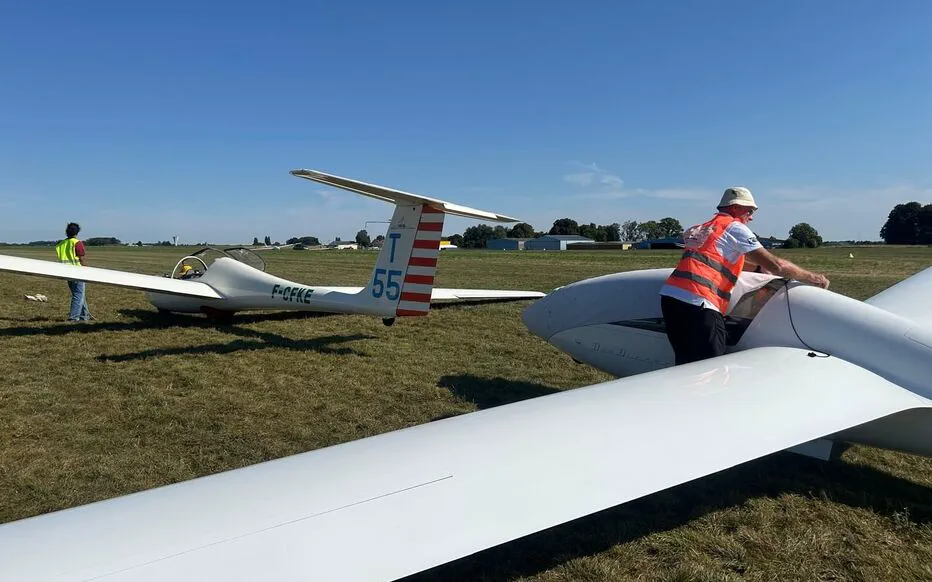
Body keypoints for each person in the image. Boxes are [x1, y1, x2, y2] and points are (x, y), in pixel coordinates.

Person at [659, 187, 829, 365]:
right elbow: (777, 266)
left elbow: (719, 258)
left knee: (686, 362)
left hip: (671, 299)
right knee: (708, 365)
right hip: (699, 302)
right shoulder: (734, 227)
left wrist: (758, 267)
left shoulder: (701, 229)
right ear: (736, 207)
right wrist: (813, 277)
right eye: (750, 211)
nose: (751, 217)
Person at [55, 222, 93, 321]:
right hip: (77, 271)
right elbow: (81, 258)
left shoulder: (61, 244)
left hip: (66, 272)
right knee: (78, 295)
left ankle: (84, 316)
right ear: (77, 232)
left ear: (66, 232)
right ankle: (73, 318)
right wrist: (85, 268)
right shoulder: (77, 242)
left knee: (78, 294)